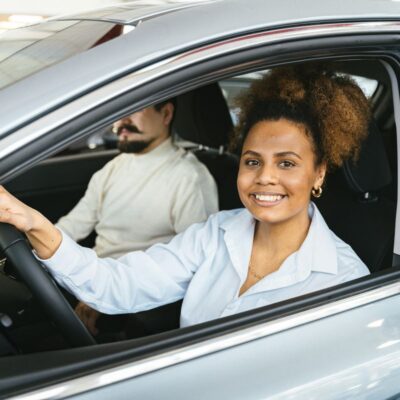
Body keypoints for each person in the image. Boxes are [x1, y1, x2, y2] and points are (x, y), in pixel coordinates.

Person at [0, 65, 371, 330]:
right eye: (252, 161)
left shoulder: (347, 281)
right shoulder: (214, 234)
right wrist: (33, 223)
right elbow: (118, 286)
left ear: (319, 172)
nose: (265, 178)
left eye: (287, 163)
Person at [55, 99, 219, 333]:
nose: (122, 121)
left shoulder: (189, 177)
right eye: (119, 111)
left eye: (134, 109)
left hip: (134, 297)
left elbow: (196, 264)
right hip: (90, 278)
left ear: (166, 114)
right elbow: (73, 226)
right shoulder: (114, 167)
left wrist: (107, 296)